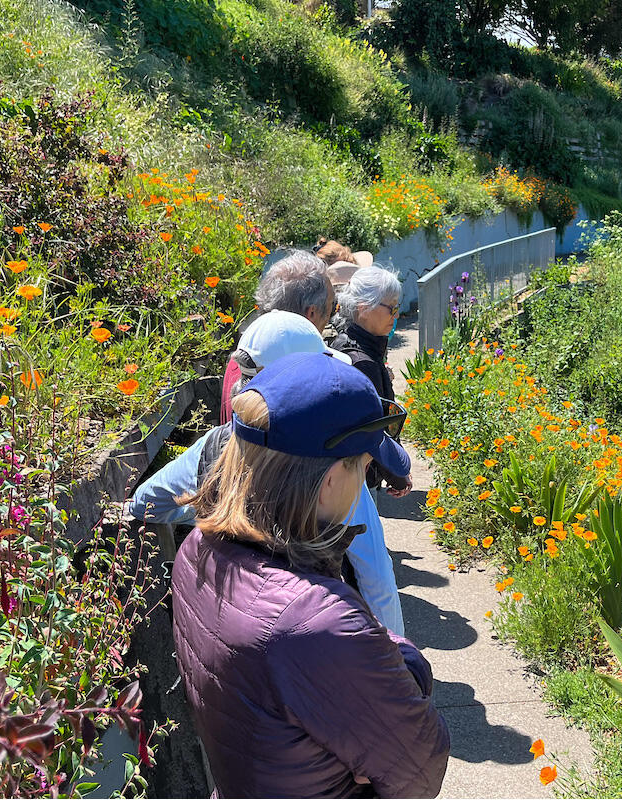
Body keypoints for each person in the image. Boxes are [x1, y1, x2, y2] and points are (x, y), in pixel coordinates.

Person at [171, 352, 450, 798]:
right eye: (362, 463)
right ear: (329, 481)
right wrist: (406, 665)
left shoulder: (197, 551)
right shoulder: (317, 626)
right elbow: (421, 768)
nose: (364, 477)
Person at [128, 310, 406, 634]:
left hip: (228, 630)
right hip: (313, 634)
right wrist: (399, 657)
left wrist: (216, 511)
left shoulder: (215, 443)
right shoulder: (330, 465)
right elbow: (377, 578)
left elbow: (146, 502)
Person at [220, 251, 336, 423]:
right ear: (312, 312)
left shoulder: (243, 358)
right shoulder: (304, 379)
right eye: (332, 307)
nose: (331, 317)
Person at [331, 266, 410, 498]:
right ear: (365, 308)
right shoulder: (362, 362)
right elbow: (374, 431)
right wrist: (399, 475)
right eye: (392, 308)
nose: (396, 315)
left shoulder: (344, 342)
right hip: (359, 482)